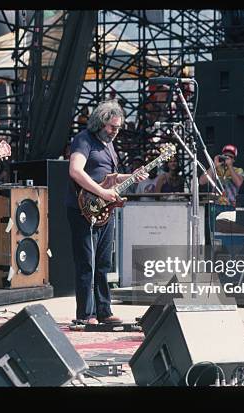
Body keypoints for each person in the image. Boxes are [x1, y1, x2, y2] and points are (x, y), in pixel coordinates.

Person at [66, 100, 148, 325]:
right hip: (84, 208)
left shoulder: (108, 145)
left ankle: (104, 311)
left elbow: (109, 176)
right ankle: (85, 314)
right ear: (100, 123)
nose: (115, 132)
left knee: (103, 263)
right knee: (87, 263)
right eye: (112, 127)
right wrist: (101, 192)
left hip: (104, 210)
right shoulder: (84, 139)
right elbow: (75, 170)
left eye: (119, 127)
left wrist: (131, 176)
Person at [199, 144, 244, 234]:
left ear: (234, 159)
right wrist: (214, 166)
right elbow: (201, 181)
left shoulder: (238, 170)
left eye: (230, 157)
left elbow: (238, 183)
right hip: (216, 206)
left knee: (229, 232)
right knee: (214, 233)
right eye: (225, 156)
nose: (227, 158)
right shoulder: (215, 170)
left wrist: (230, 166)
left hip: (231, 206)